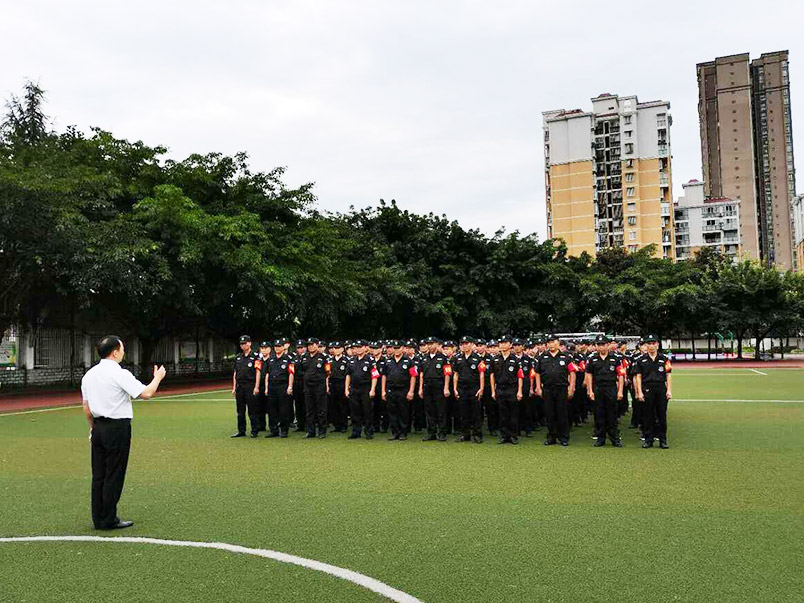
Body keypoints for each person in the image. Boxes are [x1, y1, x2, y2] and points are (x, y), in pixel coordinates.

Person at [81, 335, 166, 530]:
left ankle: (98, 517)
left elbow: (86, 407)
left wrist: (93, 429)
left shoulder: (89, 375)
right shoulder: (119, 373)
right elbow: (146, 393)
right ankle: (109, 518)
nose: (124, 352)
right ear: (115, 352)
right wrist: (157, 378)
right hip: (117, 428)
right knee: (114, 473)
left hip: (98, 428)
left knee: (99, 475)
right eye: (122, 348)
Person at [533, 334, 579, 446]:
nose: (551, 344)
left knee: (562, 413)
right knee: (549, 413)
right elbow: (537, 373)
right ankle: (551, 437)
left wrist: (571, 387)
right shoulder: (542, 357)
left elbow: (572, 373)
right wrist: (538, 387)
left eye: (553, 342)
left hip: (562, 388)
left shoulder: (566, 357)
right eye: (548, 342)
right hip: (547, 388)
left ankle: (563, 437)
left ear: (558, 343)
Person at [585, 335, 625, 447]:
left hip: (611, 387)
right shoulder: (592, 359)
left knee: (612, 414)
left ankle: (614, 439)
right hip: (598, 388)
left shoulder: (615, 359)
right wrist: (590, 390)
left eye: (603, 344)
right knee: (599, 414)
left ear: (607, 345)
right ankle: (600, 438)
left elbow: (621, 375)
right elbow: (588, 375)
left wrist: (620, 390)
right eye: (599, 345)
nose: (601, 347)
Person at [633, 334, 673, 449]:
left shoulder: (664, 359)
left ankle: (663, 440)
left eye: (653, 343)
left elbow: (668, 375)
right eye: (649, 344)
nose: (651, 346)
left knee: (661, 415)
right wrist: (639, 392)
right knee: (647, 416)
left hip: (660, 388)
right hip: (647, 389)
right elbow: (638, 377)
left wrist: (669, 390)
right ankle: (648, 440)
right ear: (646, 345)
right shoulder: (641, 360)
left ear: (657, 345)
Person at [451, 336, 486, 443]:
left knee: (476, 413)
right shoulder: (457, 358)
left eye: (467, 343)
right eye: (462, 344)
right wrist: (455, 389)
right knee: (463, 412)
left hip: (474, 388)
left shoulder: (478, 358)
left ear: (471, 344)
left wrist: (481, 388)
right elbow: (455, 374)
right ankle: (464, 434)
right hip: (462, 388)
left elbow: (481, 374)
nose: (464, 346)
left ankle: (477, 435)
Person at [490, 335, 524, 445]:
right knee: (502, 413)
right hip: (500, 389)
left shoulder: (516, 359)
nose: (503, 345)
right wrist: (493, 390)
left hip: (512, 389)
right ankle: (504, 435)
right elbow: (492, 376)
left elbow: (520, 376)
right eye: (501, 343)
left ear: (510, 345)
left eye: (505, 343)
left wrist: (519, 391)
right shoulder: (495, 359)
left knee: (513, 414)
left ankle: (513, 435)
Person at [418, 337, 452, 442]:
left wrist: (446, 387)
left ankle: (442, 433)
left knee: (441, 410)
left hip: (439, 385)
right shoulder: (424, 358)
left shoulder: (443, 358)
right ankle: (431, 433)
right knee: (429, 411)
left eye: (431, 344)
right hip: (427, 386)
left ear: (437, 344)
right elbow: (421, 374)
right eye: (428, 344)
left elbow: (447, 373)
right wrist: (420, 388)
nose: (429, 346)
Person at [382, 340, 418, 440]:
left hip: (403, 390)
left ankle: (403, 433)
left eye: (398, 348)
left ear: (402, 348)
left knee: (404, 412)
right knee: (392, 412)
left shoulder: (409, 361)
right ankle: (395, 432)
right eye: (395, 348)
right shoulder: (388, 361)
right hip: (390, 390)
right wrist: (383, 391)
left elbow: (413, 376)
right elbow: (384, 376)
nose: (396, 350)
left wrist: (411, 391)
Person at [345, 340, 379, 439]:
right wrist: (346, 389)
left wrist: (372, 389)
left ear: (365, 348)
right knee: (354, 411)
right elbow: (348, 375)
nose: (358, 349)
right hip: (354, 389)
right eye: (356, 347)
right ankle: (356, 431)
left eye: (360, 347)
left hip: (366, 388)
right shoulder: (351, 360)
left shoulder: (370, 360)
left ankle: (368, 431)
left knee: (367, 411)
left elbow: (375, 376)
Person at [232, 335, 263, 438]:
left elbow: (258, 372)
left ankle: (255, 430)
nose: (243, 345)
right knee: (240, 411)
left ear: (250, 343)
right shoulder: (238, 357)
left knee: (252, 410)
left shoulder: (256, 356)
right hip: (240, 386)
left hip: (250, 385)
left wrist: (256, 387)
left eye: (245, 343)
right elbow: (235, 373)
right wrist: (234, 387)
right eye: (241, 344)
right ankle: (241, 430)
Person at [300, 338, 331, 438]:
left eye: (312, 344)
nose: (310, 347)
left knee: (321, 409)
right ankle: (310, 431)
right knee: (309, 409)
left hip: (319, 386)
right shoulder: (304, 357)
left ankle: (322, 432)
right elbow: (301, 370)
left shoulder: (323, 357)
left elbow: (328, 371)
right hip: (308, 387)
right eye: (308, 345)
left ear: (317, 345)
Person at [265, 338, 295, 438]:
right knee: (271, 409)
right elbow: (267, 374)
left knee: (283, 409)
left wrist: (290, 386)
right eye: (276, 346)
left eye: (279, 346)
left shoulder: (288, 359)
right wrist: (266, 388)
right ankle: (273, 430)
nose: (277, 348)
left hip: (283, 386)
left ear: (283, 347)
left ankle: (284, 430)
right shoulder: (271, 359)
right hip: (272, 386)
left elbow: (291, 374)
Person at [327, 342, 350, 433]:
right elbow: (327, 373)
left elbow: (348, 375)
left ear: (342, 349)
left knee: (343, 405)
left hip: (342, 383)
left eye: (337, 348)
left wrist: (347, 387)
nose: (335, 350)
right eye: (334, 348)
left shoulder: (346, 360)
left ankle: (344, 425)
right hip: (332, 384)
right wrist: (327, 385)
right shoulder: (329, 360)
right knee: (333, 405)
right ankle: (337, 426)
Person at [255, 341, 272, 433]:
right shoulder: (258, 361)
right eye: (262, 348)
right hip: (260, 384)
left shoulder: (272, 360)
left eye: (266, 348)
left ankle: (273, 426)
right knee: (259, 406)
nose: (264, 350)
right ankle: (261, 425)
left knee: (270, 407)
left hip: (270, 385)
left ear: (270, 349)